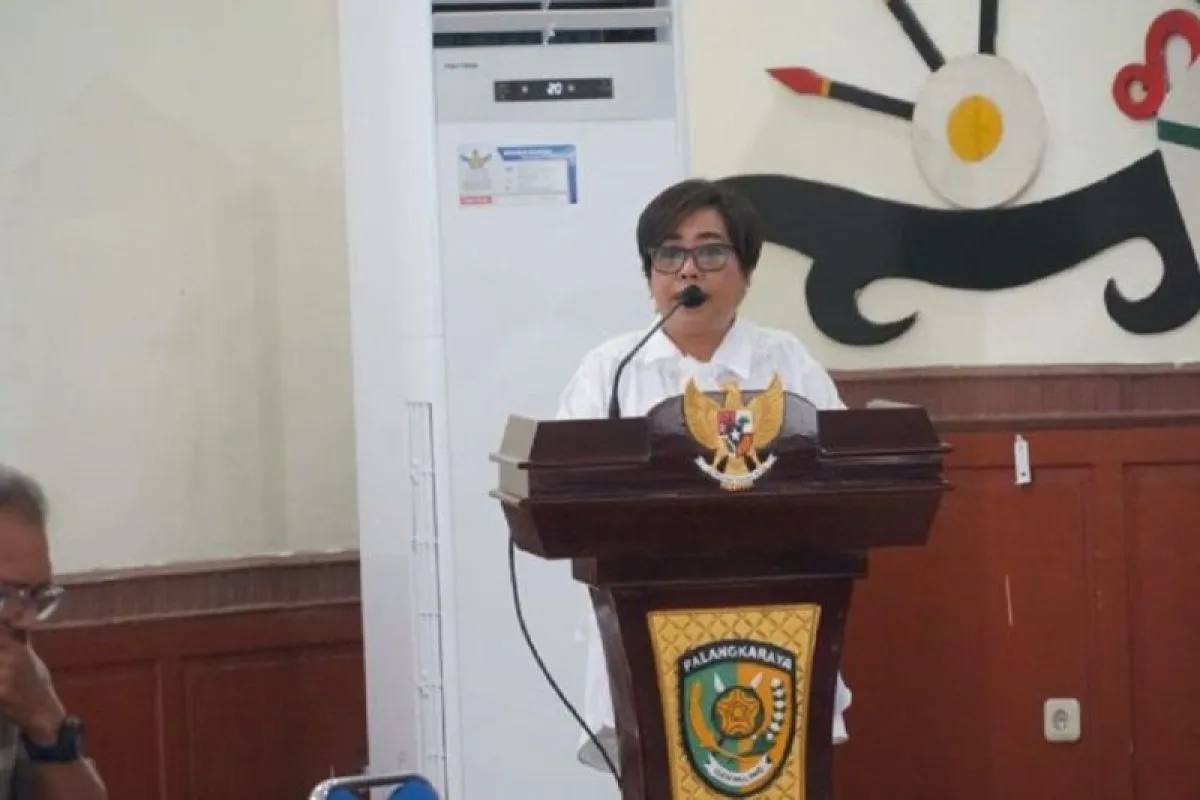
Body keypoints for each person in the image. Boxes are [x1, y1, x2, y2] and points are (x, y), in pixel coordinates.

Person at [555, 178, 853, 772]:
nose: (688, 269)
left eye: (711, 251)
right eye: (670, 253)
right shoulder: (610, 370)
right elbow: (565, 486)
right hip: (643, 624)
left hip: (775, 619)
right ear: (649, 275)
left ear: (747, 272)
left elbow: (844, 476)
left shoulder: (786, 362)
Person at [0, 466, 106, 799]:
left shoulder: (20, 676)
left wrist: (43, 717)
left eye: (38, 595)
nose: (29, 622)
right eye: (4, 596)